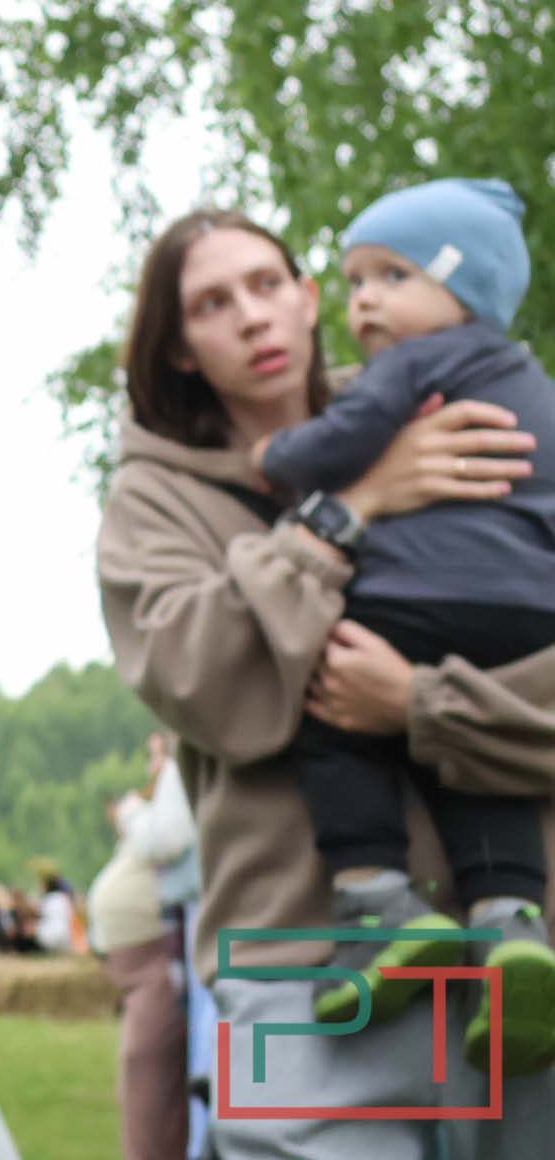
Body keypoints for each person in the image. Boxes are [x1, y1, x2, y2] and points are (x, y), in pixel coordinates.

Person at [96, 207, 551, 1154]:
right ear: (179, 348)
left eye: (268, 286)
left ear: (312, 302)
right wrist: (357, 504)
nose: (252, 318)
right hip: (301, 965)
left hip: (519, 967)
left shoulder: (451, 415)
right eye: (212, 305)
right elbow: (211, 686)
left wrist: (422, 706)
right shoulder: (151, 504)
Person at [244, 180, 555, 1061]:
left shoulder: (419, 363)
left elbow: (343, 440)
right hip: (527, 614)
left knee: (335, 704)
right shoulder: (536, 384)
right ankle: (510, 926)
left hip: (413, 597)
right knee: (473, 756)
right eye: (354, 281)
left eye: (391, 276)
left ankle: (377, 902)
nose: (365, 301)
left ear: (465, 292)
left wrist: (276, 455)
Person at [90, 761, 193, 1160]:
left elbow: (166, 839)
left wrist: (132, 813)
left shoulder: (179, 770)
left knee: (153, 1093)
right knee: (144, 1086)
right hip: (141, 970)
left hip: (160, 963)